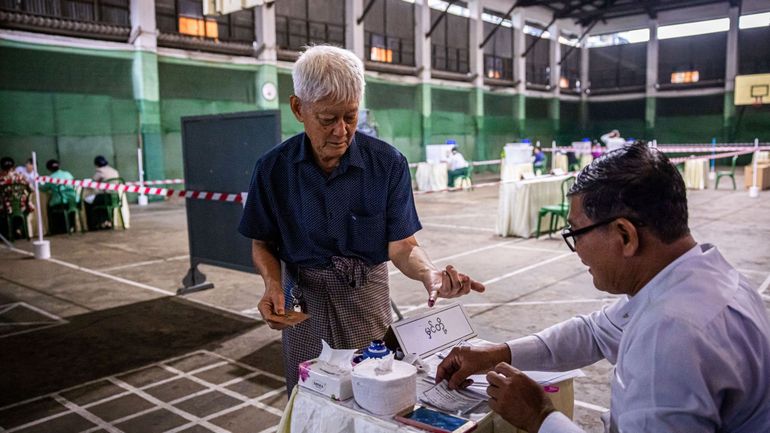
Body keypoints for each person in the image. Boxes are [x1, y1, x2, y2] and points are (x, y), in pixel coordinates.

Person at [436, 142, 770, 433]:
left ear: (625, 235)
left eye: (577, 233)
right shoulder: (699, 278)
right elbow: (595, 333)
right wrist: (497, 353)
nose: (577, 249)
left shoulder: (670, 336)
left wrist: (540, 417)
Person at [238, 45, 485, 394]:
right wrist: (273, 286)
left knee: (374, 394)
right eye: (327, 119)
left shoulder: (387, 165)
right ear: (298, 109)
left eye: (350, 117)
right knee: (311, 397)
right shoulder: (273, 170)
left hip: (365, 305)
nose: (341, 131)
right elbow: (261, 242)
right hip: (303, 306)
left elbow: (402, 245)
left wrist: (429, 274)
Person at [40, 159, 78, 234]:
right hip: (73, 200)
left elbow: (43, 188)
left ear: (49, 168)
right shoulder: (68, 174)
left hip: (60, 201)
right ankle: (72, 226)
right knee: (69, 207)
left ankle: (55, 230)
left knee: (49, 206)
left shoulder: (50, 178)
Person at [84, 155, 121, 230]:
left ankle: (93, 225)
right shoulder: (114, 171)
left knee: (87, 202)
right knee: (100, 205)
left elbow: (92, 183)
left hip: (104, 197)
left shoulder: (100, 172)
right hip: (115, 197)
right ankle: (106, 221)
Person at [1, 157, 34, 237]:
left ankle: (7, 233)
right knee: (19, 209)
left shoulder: (1, 178)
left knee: (4, 208)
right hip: (22, 206)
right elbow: (31, 189)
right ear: (14, 166)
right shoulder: (21, 176)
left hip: (7, 207)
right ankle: (18, 228)